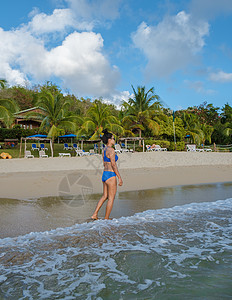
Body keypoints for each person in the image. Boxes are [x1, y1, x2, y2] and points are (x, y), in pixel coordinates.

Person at [91, 129, 123, 220]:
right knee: (111, 198)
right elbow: (113, 164)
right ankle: (106, 218)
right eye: (113, 139)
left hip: (104, 174)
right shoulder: (111, 150)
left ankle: (95, 214)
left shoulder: (104, 149)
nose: (114, 140)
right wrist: (119, 177)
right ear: (109, 140)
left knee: (105, 196)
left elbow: (104, 162)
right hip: (111, 175)